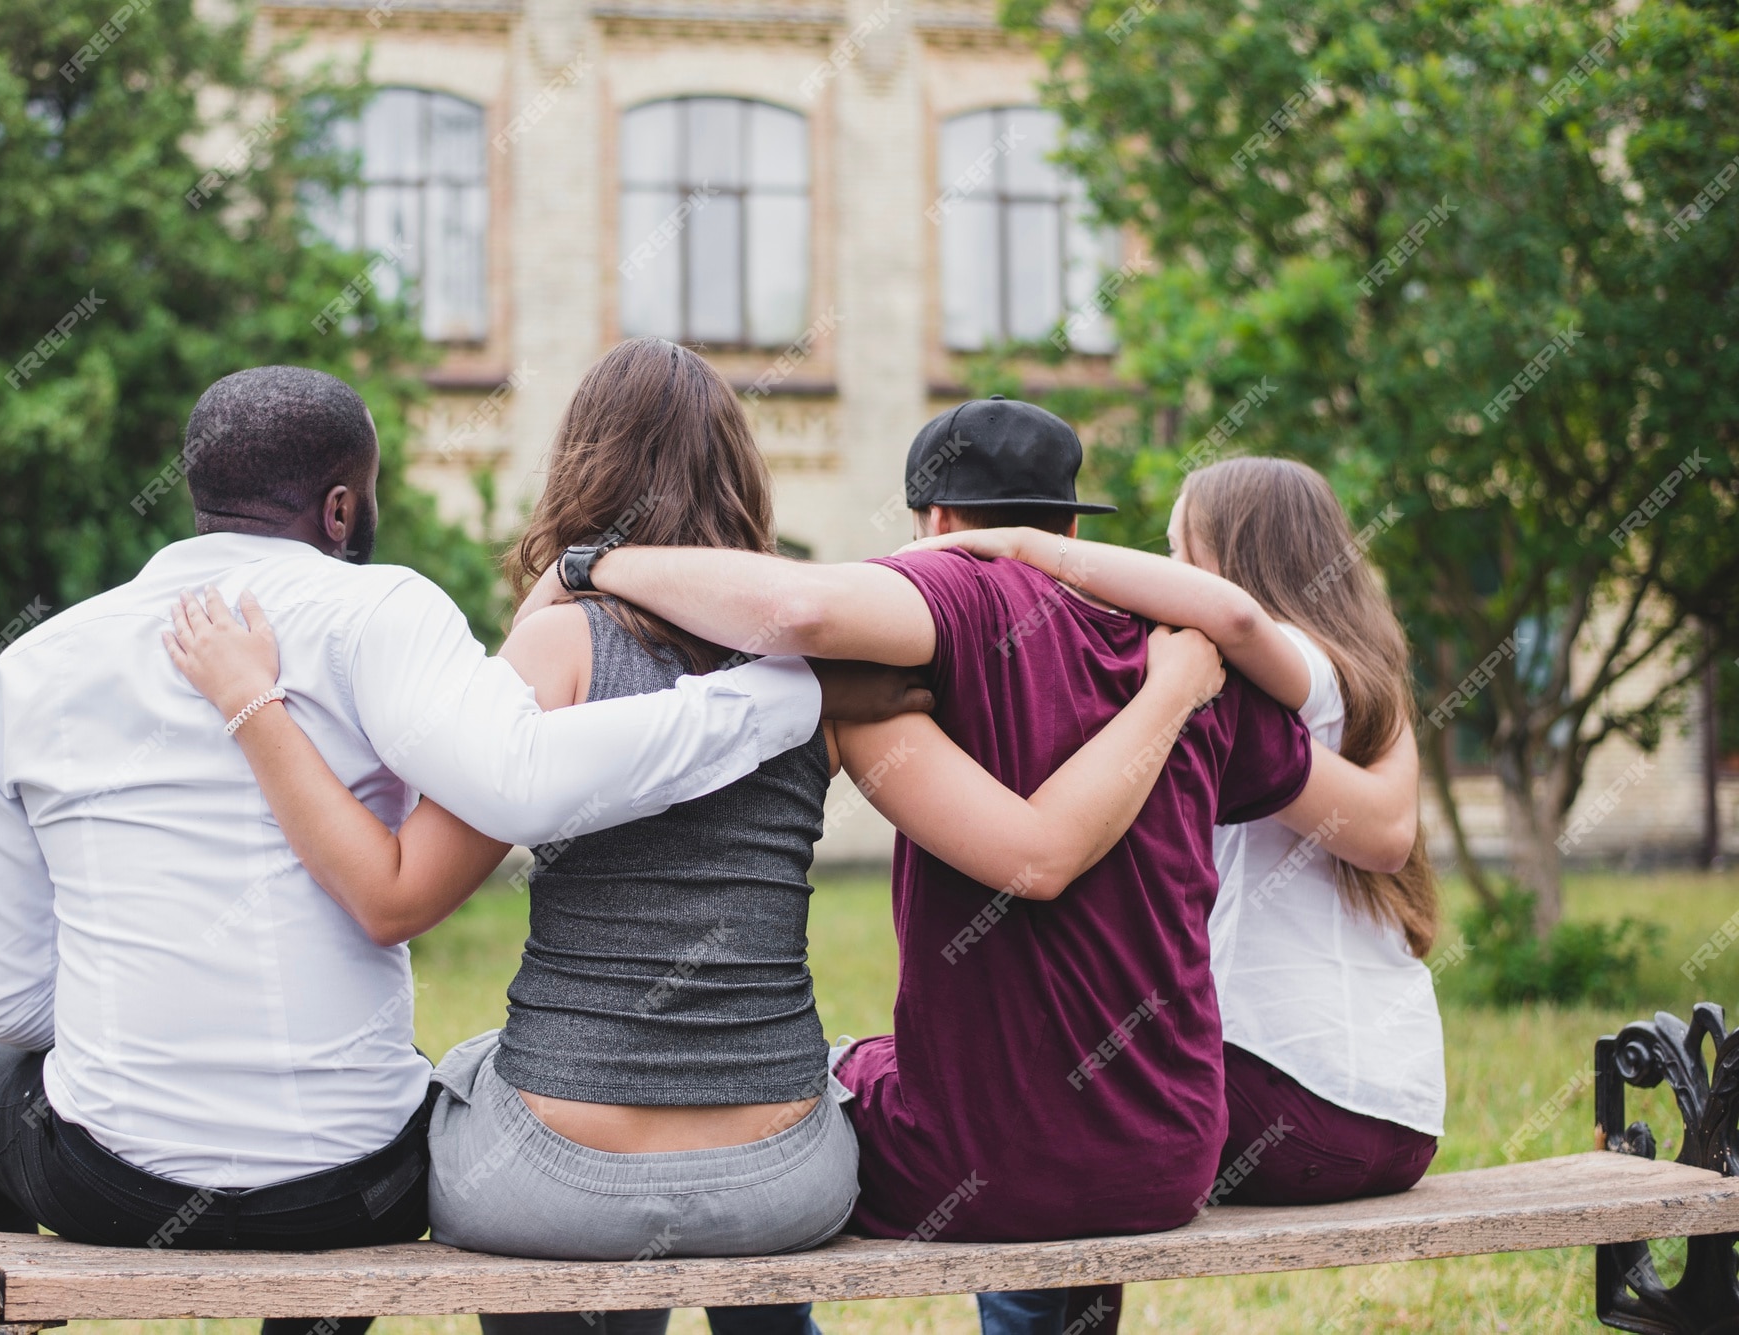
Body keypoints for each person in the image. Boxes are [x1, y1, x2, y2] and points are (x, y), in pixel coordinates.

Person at [162, 342, 1229, 1335]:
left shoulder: (553, 647)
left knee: (459, 1080)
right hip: (780, 1181)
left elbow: (409, 877)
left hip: (551, 1184)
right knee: (797, 1097)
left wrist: (271, 707)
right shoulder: (833, 679)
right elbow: (1025, 851)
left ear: (578, 472)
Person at [0, 365, 920, 1335]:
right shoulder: (385, 614)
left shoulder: (26, 672)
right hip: (386, 1186)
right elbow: (516, 778)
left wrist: (143, 992)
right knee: (417, 1100)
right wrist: (784, 694)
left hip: (117, 1183)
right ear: (343, 507)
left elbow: (5, 1003)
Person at [511, 396, 1418, 1335]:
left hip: (984, 1162)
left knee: (768, 1114)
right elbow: (1365, 813)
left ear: (934, 525)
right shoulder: (1187, 657)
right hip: (1170, 1154)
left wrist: (592, 565)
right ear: (1070, 524)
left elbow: (805, 609)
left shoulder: (952, 601)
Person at [913, 455, 1441, 1332]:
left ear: (1233, 558)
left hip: (1292, 1103)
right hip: (1401, 1116)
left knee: (1063, 1106)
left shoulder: (1286, 669)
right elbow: (1387, 830)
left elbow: (1230, 614)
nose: (1164, 580)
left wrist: (1015, 545)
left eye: (1175, 553)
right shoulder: (1367, 681)